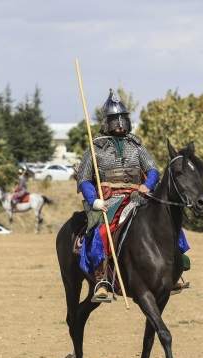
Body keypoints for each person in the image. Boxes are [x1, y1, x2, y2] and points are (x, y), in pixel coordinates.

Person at [77, 89, 161, 300]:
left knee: (165, 220)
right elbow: (84, 179)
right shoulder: (95, 147)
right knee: (103, 232)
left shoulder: (136, 144)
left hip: (138, 196)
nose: (120, 123)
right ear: (106, 122)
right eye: (115, 119)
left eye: (123, 118)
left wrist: (148, 185)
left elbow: (153, 170)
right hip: (110, 198)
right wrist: (94, 201)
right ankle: (102, 280)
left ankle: (174, 270)